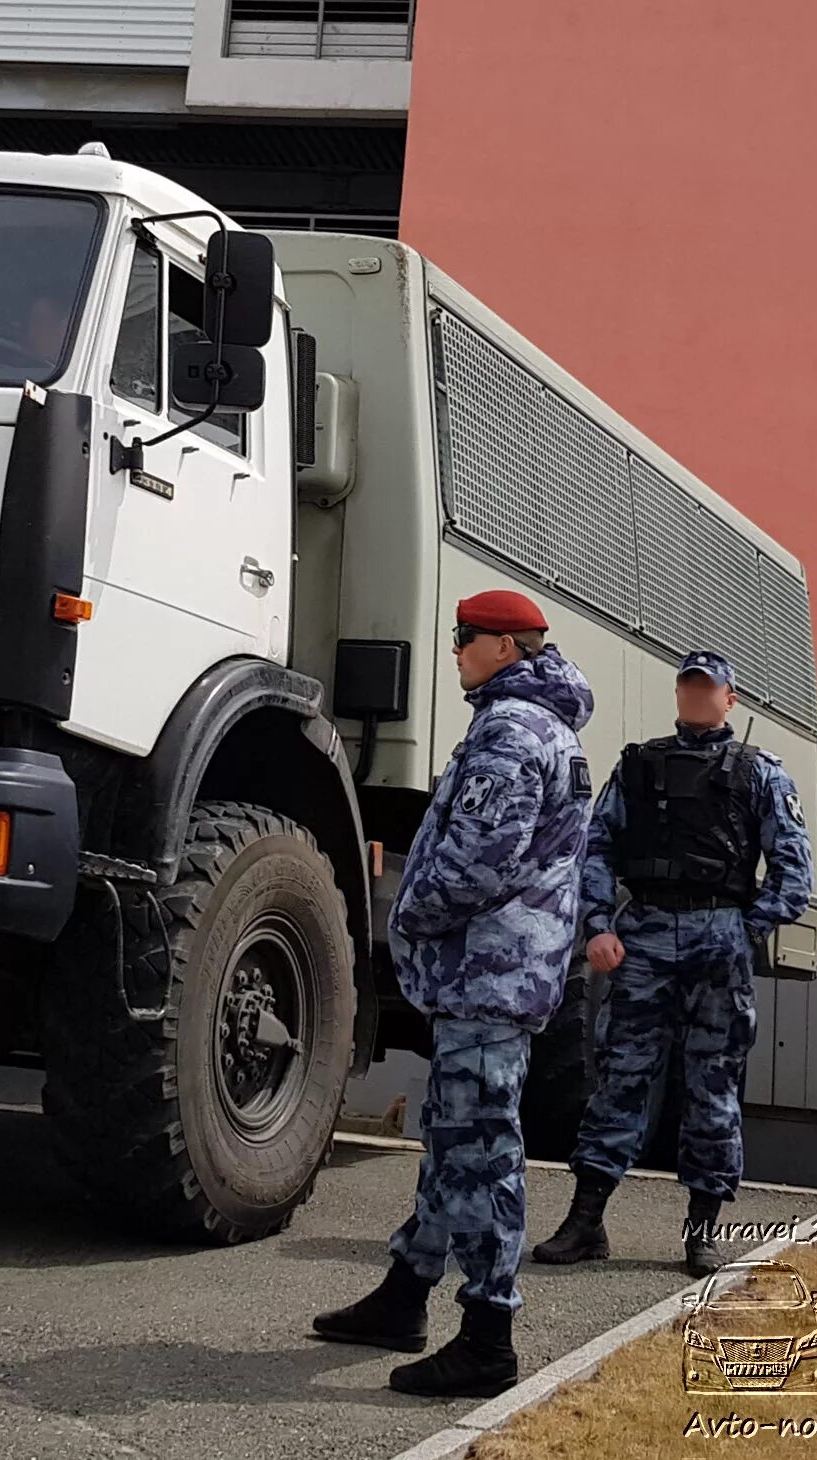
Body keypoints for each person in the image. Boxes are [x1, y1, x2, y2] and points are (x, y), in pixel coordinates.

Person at [312, 590, 594, 1399]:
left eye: (465, 637)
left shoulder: (511, 730)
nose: (455, 648)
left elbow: (477, 860)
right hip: (497, 970)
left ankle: (487, 1337)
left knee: (480, 1150)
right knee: (453, 1139)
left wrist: (410, 917)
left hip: (487, 971)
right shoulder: (545, 724)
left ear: (505, 648)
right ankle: (405, 1295)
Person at [531, 650, 813, 1278]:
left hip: (719, 940)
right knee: (619, 1077)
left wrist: (746, 929)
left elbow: (795, 874)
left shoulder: (760, 774)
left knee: (713, 1085)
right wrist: (598, 925)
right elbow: (595, 848)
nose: (694, 695)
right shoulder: (637, 766)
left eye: (707, 687)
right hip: (644, 937)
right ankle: (585, 1221)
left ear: (729, 698)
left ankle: (701, 1232)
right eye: (686, 685)